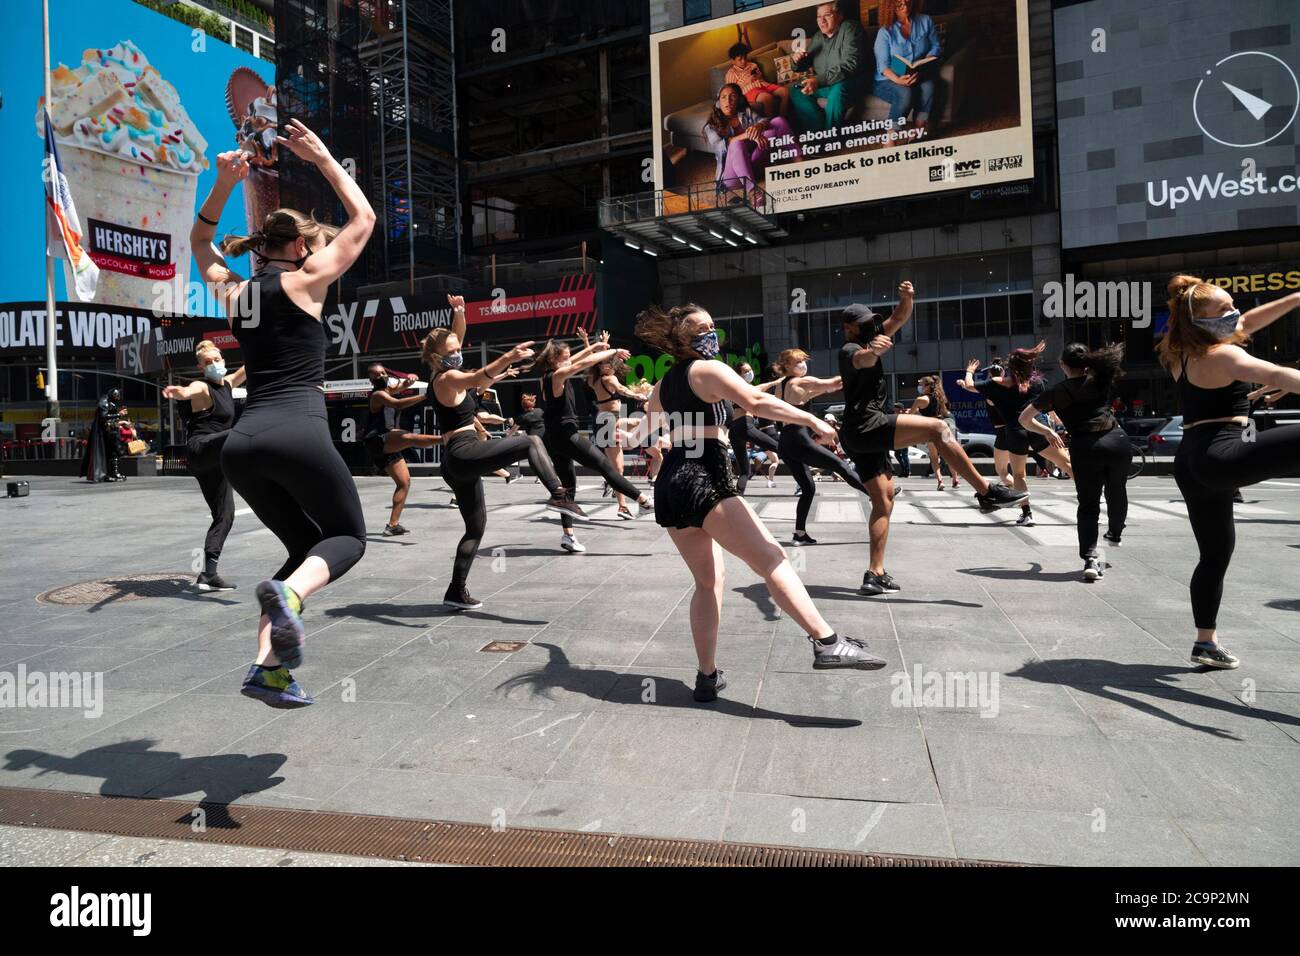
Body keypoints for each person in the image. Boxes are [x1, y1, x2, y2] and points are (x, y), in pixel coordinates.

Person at [193, 121, 374, 709]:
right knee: (347, 537)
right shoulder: (307, 280)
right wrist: (321, 155)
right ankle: (289, 601)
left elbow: (200, 245)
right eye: (314, 244)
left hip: (241, 447)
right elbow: (364, 219)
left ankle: (266, 670)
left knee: (303, 555)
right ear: (298, 247)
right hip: (297, 432)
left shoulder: (234, 293)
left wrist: (222, 185)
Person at [632, 303, 886, 703]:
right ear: (684, 337)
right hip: (705, 475)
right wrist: (812, 421)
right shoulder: (709, 369)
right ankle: (827, 642)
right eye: (703, 327)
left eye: (713, 324)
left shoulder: (665, 384)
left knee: (707, 582)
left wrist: (634, 435)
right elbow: (756, 403)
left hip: (672, 483)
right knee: (773, 560)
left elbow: (641, 432)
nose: (711, 332)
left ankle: (707, 676)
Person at [837, 289, 1028, 596]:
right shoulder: (849, 348)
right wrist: (873, 351)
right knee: (938, 429)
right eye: (864, 323)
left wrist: (908, 296)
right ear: (849, 327)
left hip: (859, 435)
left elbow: (899, 316)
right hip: (865, 425)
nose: (872, 326)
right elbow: (862, 359)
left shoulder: (873, 333)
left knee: (883, 502)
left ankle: (874, 573)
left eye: (871, 321)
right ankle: (986, 492)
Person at [1158, 274, 1300, 669]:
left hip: (1190, 461)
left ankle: (1206, 642)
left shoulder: (1179, 351)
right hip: (1223, 453)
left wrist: (1296, 297)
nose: (1234, 313)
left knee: (1215, 555)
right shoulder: (1222, 356)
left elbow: (1249, 322)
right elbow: (1278, 375)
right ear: (1200, 321)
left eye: (1232, 304)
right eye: (1223, 310)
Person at [424, 296, 586, 608]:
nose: (458, 354)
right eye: (452, 352)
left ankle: (455, 592)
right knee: (530, 442)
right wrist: (508, 356)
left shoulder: (440, 370)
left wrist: (459, 312)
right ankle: (558, 494)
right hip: (463, 451)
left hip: (457, 459)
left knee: (475, 528)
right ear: (436, 357)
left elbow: (456, 336)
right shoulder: (448, 378)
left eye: (459, 350)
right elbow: (477, 377)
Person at [533, 328, 656, 554]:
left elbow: (579, 359)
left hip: (554, 437)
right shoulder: (558, 376)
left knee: (568, 488)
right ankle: (643, 500)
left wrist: (594, 347)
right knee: (606, 466)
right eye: (565, 357)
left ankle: (568, 536)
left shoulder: (546, 376)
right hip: (565, 434)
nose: (570, 359)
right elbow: (581, 363)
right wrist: (613, 350)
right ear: (554, 359)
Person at [1019, 343, 1131, 582]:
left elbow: (1024, 419)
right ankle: (1115, 534)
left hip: (1085, 447)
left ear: (1062, 365)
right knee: (1117, 490)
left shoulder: (1057, 392)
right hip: (1117, 440)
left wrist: (1047, 432)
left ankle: (1090, 558)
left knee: (1089, 505)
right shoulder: (1101, 380)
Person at [162, 340, 246, 591]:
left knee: (225, 516)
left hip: (216, 459)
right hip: (200, 448)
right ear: (201, 367)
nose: (213, 365)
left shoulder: (229, 383)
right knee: (240, 430)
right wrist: (177, 392)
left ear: (223, 360)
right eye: (207, 363)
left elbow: (250, 365)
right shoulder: (201, 386)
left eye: (216, 360)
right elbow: (187, 392)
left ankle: (209, 573)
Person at [769, 348, 870, 544]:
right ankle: (877, 495)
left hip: (786, 442)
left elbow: (819, 390)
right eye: (798, 362)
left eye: (804, 361)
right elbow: (832, 383)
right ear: (787, 366)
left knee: (808, 488)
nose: (803, 365)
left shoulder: (780, 385)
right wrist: (858, 369)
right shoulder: (800, 381)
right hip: (799, 439)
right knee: (841, 466)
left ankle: (799, 533)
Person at [968, 343, 1073, 528]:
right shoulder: (1038, 383)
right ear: (1030, 367)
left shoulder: (997, 384)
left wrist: (970, 371)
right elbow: (1044, 407)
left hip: (1015, 432)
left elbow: (969, 386)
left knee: (1019, 474)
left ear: (1010, 367)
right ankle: (1092, 498)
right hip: (1037, 428)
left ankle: (1027, 514)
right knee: (1066, 464)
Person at [363, 363, 442, 536]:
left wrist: (409, 380)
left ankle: (392, 525)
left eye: (384, 372)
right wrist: (424, 396)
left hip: (386, 442)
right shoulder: (378, 395)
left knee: (404, 483)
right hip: (377, 439)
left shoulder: (387, 391)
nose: (382, 376)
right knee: (409, 437)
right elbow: (397, 404)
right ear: (371, 379)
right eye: (378, 374)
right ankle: (447, 439)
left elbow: (400, 387)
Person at [704, 84, 798, 200]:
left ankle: (800, 163)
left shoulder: (746, 112)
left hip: (754, 167)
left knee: (778, 121)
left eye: (732, 96)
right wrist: (748, 135)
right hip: (733, 178)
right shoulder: (710, 127)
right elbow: (722, 146)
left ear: (739, 99)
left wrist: (758, 126)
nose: (728, 100)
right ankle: (753, 191)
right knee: (736, 143)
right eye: (723, 97)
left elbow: (765, 120)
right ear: (719, 102)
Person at [787, 2, 868, 135]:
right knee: (796, 90)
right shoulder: (818, 36)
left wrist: (818, 80)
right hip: (827, 83)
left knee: (838, 90)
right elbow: (805, 62)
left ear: (839, 15)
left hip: (850, 82)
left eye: (827, 15)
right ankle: (818, 131)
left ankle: (831, 137)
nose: (822, 21)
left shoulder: (850, 28)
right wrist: (796, 60)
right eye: (819, 16)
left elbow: (850, 65)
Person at [587, 357, 652, 519]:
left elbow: (591, 363)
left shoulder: (593, 380)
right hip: (608, 422)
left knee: (638, 421)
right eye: (603, 363)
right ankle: (622, 505)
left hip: (609, 421)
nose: (606, 366)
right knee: (618, 470)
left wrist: (590, 344)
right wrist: (638, 396)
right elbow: (622, 389)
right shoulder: (609, 378)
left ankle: (612, 481)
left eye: (608, 363)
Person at [872, 0, 940, 142]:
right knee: (905, 92)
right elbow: (883, 66)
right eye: (899, 5)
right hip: (888, 79)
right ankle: (891, 139)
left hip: (917, 73)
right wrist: (897, 80)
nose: (905, 7)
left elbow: (935, 46)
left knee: (929, 87)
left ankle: (916, 131)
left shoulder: (925, 20)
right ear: (890, 7)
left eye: (907, 2)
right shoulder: (884, 32)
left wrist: (926, 60)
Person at [726, 361, 781, 492]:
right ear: (738, 375)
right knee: (778, 447)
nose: (750, 373)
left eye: (750, 370)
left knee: (745, 471)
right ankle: (803, 465)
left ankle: (738, 495)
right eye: (746, 371)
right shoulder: (743, 388)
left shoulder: (730, 389)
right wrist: (777, 382)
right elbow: (761, 389)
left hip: (734, 431)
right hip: (745, 426)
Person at [909, 374, 958, 489]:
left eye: (921, 385)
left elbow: (911, 414)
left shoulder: (920, 399)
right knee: (948, 455)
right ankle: (955, 480)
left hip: (930, 428)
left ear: (926, 386)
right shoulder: (940, 397)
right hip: (942, 425)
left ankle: (940, 481)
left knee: (934, 457)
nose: (919, 387)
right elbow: (945, 412)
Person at [725, 42, 789, 117]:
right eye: (740, 59)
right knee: (767, 98)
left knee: (785, 91)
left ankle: (782, 117)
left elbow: (761, 78)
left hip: (763, 84)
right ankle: (770, 123)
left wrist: (758, 76)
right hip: (749, 90)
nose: (743, 61)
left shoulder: (752, 65)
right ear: (733, 61)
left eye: (745, 57)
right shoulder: (731, 73)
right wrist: (747, 81)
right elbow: (732, 91)